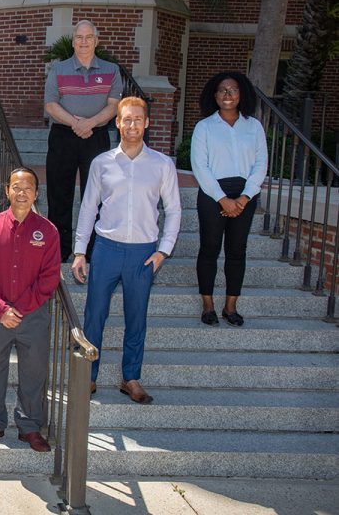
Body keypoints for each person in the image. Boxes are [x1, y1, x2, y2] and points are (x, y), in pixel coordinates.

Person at [71, 97, 181, 404]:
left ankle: (131, 377)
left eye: (137, 119)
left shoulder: (162, 165)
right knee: (95, 315)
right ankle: (87, 377)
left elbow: (173, 210)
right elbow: (88, 208)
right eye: (126, 119)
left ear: (146, 123)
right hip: (106, 248)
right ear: (117, 122)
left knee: (137, 317)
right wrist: (80, 251)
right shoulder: (101, 163)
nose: (131, 124)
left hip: (142, 253)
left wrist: (163, 251)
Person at [0, 167, 60, 452]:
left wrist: (19, 310)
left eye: (28, 188)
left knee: (34, 373)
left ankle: (30, 427)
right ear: (7, 191)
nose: (21, 192)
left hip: (33, 316)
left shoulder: (48, 231)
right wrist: (1, 309)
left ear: (36, 193)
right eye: (16, 187)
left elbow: (49, 279)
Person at [191, 72, 267, 327]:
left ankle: (231, 306)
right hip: (213, 194)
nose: (227, 95)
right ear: (214, 95)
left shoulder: (254, 127)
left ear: (241, 94)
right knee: (209, 249)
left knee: (237, 251)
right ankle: (208, 305)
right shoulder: (204, 127)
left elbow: (260, 164)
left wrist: (244, 198)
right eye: (222, 90)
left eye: (233, 90)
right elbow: (200, 167)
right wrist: (223, 199)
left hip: (245, 194)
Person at [44, 20, 123, 262]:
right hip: (63, 136)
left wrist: (90, 123)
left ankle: (90, 251)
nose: (84, 42)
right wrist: (75, 123)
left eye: (89, 37)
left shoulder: (111, 70)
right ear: (73, 40)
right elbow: (50, 105)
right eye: (79, 37)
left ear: (96, 41)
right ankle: (60, 250)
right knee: (59, 194)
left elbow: (114, 106)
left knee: (96, 194)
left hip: (96, 137)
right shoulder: (59, 69)